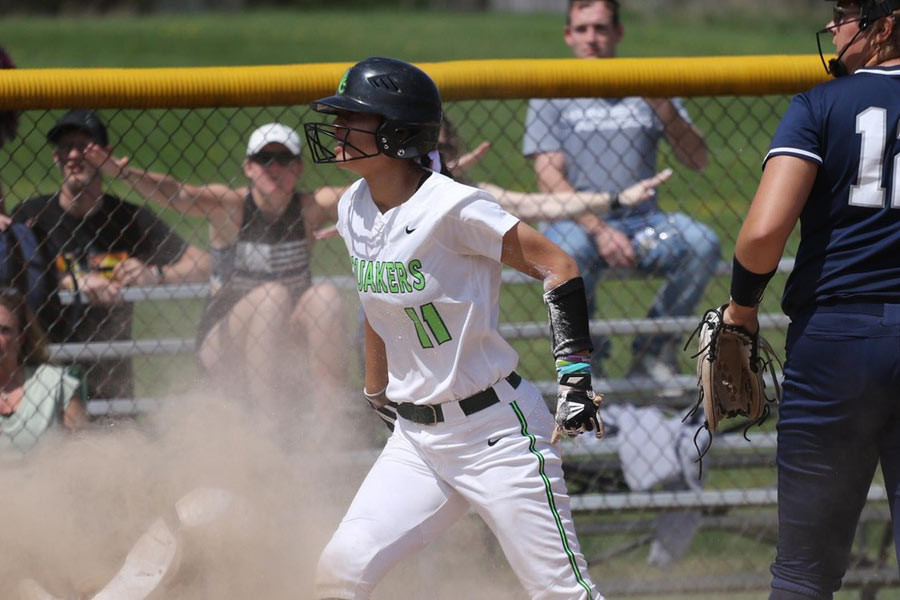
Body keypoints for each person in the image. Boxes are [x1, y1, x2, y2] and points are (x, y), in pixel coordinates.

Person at [305, 56, 603, 600]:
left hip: (496, 434)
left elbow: (558, 265)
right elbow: (375, 300)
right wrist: (377, 386)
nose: (338, 129)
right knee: (338, 573)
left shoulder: (455, 206)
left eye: (353, 118)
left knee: (564, 594)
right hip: (417, 440)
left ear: (397, 132)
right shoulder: (354, 206)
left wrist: (575, 379)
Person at [723, 1, 900, 597]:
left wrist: (742, 312)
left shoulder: (819, 105)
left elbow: (764, 233)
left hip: (837, 343)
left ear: (888, 24)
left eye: (848, 14)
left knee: (805, 572)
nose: (834, 27)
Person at [84, 123, 349, 415]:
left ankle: (331, 426)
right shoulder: (232, 208)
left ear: (298, 169)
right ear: (249, 167)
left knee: (325, 296)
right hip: (224, 341)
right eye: (264, 159)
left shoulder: (310, 208)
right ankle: (268, 429)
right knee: (272, 297)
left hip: (285, 338)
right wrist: (125, 173)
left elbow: (369, 191)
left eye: (284, 160)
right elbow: (179, 195)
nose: (274, 168)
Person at [523, 0, 720, 384]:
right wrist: (599, 229)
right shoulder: (550, 88)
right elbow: (548, 177)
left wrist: (665, 108)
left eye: (600, 28)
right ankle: (586, 362)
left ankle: (654, 350)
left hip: (644, 222)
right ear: (568, 36)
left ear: (618, 33)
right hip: (575, 223)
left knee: (701, 243)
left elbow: (697, 160)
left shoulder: (646, 83)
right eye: (582, 30)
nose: (591, 39)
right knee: (572, 253)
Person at [11, 110, 210, 400]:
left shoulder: (129, 218)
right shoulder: (32, 216)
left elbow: (204, 263)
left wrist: (154, 275)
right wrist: (69, 282)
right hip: (43, 377)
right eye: (66, 147)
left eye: (85, 147)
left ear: (106, 155)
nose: (74, 155)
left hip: (112, 380)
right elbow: (10, 270)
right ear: (56, 157)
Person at [0, 287, 87, 453]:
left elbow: (82, 456)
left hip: (45, 476)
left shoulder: (55, 384)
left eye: (4, 330)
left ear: (21, 337)